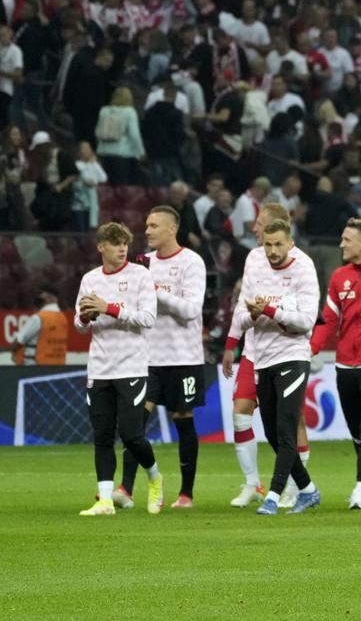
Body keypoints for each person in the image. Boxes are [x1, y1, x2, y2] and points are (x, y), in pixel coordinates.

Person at [115, 207, 207, 510]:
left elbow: (190, 310)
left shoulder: (192, 262)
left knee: (183, 421)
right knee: (135, 423)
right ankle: (126, 489)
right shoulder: (143, 263)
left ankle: (186, 494)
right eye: (147, 225)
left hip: (183, 357)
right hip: (147, 359)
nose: (147, 231)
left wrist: (154, 292)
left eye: (154, 225)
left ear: (172, 228)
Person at [222, 202, 312, 508]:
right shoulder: (253, 258)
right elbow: (244, 305)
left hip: (289, 353)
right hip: (256, 353)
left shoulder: (301, 265)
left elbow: (305, 318)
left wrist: (272, 312)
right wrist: (232, 342)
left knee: (291, 423)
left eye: (260, 223)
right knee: (251, 418)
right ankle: (261, 484)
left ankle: (287, 490)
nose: (254, 228)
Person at [75, 222, 161, 516]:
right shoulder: (90, 279)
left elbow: (148, 318)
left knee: (131, 435)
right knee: (102, 436)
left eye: (125, 243)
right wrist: (86, 317)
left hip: (131, 366)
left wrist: (108, 308)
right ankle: (105, 501)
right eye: (115, 243)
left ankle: (154, 478)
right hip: (99, 368)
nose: (122, 248)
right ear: (101, 247)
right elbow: (79, 324)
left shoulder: (140, 275)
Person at [310, 218, 361, 511]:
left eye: (347, 240)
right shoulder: (339, 277)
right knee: (358, 431)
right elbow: (329, 318)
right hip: (345, 363)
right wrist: (311, 348)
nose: (341, 244)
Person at [10, 284, 68, 365]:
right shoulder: (63, 318)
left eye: (41, 294)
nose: (38, 297)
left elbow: (19, 340)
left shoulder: (38, 317)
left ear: (50, 297)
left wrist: (12, 351)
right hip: (58, 365)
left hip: (36, 366)